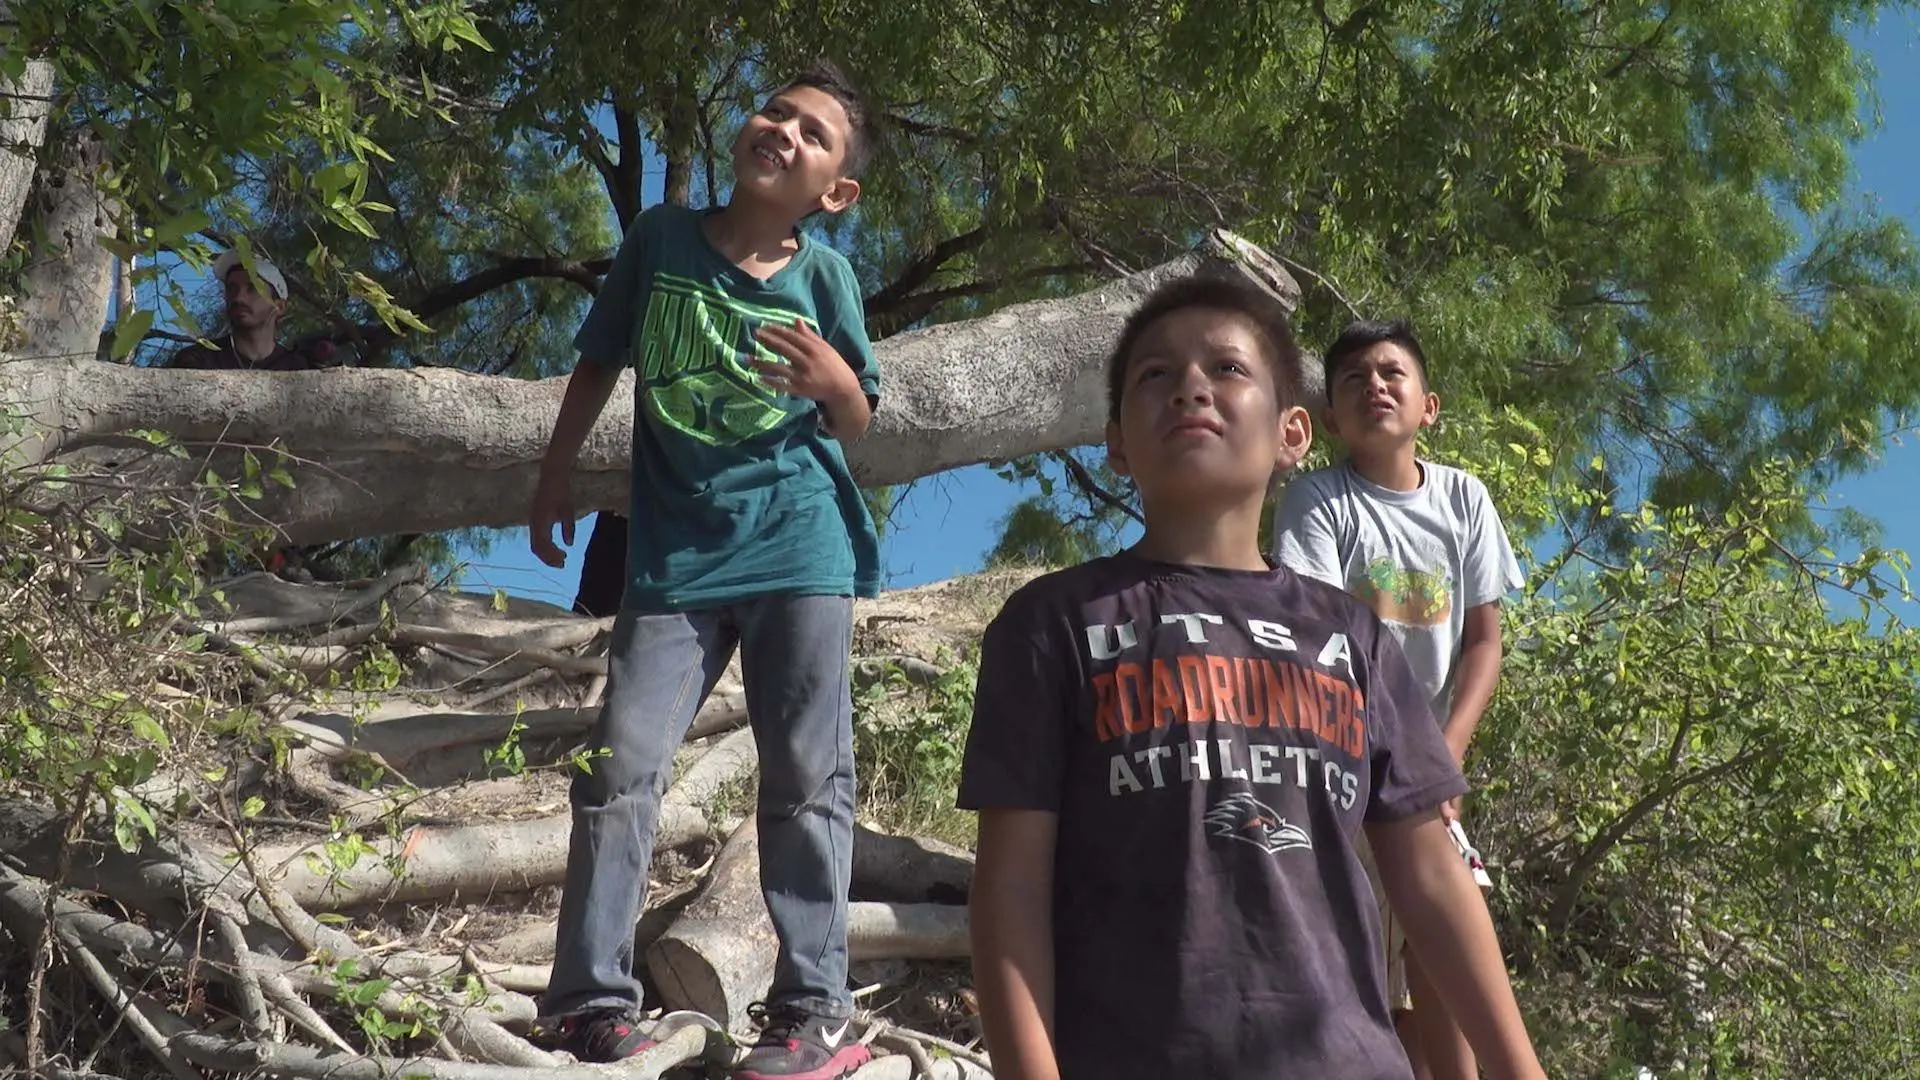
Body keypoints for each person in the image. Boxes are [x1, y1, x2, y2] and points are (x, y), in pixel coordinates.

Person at [958, 276, 1545, 1080]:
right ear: (1117, 443)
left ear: (1291, 432)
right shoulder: (1051, 623)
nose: (1190, 386)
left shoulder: (1353, 635)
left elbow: (1431, 875)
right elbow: (1011, 889)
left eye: (1228, 369)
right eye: (1155, 374)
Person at [526, 59, 883, 1080]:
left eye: (814, 134)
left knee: (807, 777)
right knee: (619, 769)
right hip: (674, 560)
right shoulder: (661, 240)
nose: (785, 131)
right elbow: (600, 358)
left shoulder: (826, 279)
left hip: (799, 549)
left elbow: (858, 417)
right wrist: (556, 475)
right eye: (777, 111)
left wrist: (836, 382)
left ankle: (812, 1009)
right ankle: (590, 1002)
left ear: (835, 191)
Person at [1273, 318, 1525, 1080]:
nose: (1375, 387)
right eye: (1353, 379)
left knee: (1442, 937)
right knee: (1371, 960)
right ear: (1329, 418)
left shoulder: (1464, 498)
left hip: (1427, 768)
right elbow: (1316, 638)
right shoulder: (1318, 501)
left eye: (1391, 374)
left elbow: (1484, 642)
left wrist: (1443, 756)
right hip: (1342, 756)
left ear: (1428, 406)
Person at [167, 251, 334, 371]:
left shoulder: (298, 368)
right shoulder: (199, 360)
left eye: (253, 289)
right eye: (232, 289)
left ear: (279, 306)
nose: (238, 298)